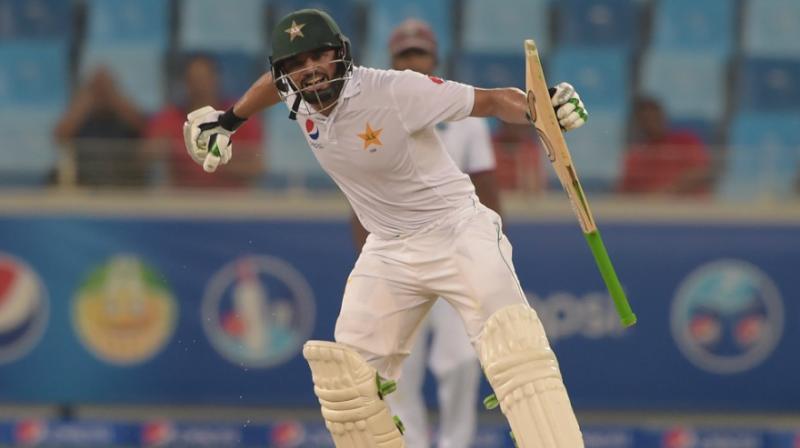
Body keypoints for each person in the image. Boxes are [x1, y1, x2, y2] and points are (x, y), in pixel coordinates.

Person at [183, 9, 589, 447]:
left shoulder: (396, 89)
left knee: (514, 343)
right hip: (389, 250)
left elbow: (489, 100)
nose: (311, 71)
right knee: (349, 382)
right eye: (297, 65)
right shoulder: (297, 94)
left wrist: (540, 106)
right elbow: (271, 86)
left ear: (342, 56)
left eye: (319, 56)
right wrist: (230, 120)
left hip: (456, 231)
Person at [345, 19, 499, 448]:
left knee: (462, 361)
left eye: (420, 54)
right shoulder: (372, 113)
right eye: (404, 55)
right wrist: (373, 261)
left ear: (435, 59)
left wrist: (488, 254)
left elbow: (487, 189)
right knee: (398, 368)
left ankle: (457, 443)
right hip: (399, 254)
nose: (412, 62)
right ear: (391, 62)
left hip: (456, 252)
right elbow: (361, 195)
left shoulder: (464, 117)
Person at [143, 55, 264, 188]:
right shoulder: (167, 118)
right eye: (193, 80)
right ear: (185, 83)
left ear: (216, 79)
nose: (199, 85)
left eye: (204, 79)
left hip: (231, 201)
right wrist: (157, 152)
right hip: (182, 200)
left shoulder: (241, 113)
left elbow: (257, 166)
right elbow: (141, 156)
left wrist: (213, 160)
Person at [54, 67, 146, 187]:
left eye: (104, 89)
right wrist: (85, 101)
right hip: (86, 183)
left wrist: (113, 97)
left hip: (123, 182)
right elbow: (60, 135)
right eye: (96, 89)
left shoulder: (123, 117)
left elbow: (143, 127)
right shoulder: (83, 118)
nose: (101, 94)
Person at [619, 96, 711, 195]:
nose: (651, 123)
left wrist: (667, 193)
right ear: (639, 124)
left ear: (663, 116)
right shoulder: (635, 156)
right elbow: (626, 191)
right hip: (650, 208)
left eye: (655, 117)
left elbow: (702, 172)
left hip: (690, 207)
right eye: (646, 119)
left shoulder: (686, 140)